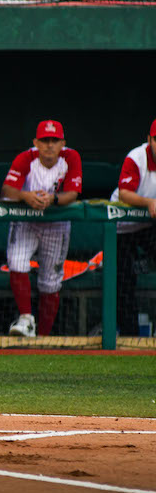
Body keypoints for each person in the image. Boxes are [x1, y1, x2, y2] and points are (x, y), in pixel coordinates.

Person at [1, 120, 82, 337]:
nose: (49, 145)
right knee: (16, 262)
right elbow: (7, 189)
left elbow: (73, 193)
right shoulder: (25, 158)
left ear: (62, 143)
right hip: (27, 220)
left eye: (54, 141)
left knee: (50, 281)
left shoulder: (71, 158)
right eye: (44, 140)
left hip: (56, 224)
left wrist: (54, 198)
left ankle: (43, 337)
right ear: (35, 142)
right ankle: (26, 319)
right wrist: (25, 195)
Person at [109, 119, 156, 336]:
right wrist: (148, 203)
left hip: (149, 227)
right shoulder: (136, 157)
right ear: (149, 140)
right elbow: (125, 193)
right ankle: (130, 336)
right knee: (123, 282)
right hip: (123, 227)